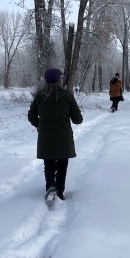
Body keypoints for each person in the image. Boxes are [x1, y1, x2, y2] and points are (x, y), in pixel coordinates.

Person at [28, 68, 83, 205]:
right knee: (62, 165)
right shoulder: (67, 96)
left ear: (46, 80)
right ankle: (59, 191)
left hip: (46, 138)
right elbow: (77, 120)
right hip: (63, 138)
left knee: (49, 165)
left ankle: (50, 188)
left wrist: (38, 125)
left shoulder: (40, 96)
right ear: (59, 80)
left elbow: (31, 116)